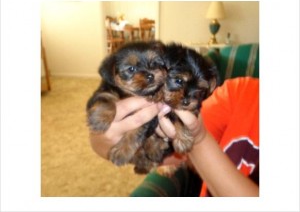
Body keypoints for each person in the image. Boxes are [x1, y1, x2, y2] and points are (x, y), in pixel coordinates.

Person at [89, 77, 259, 197]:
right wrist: (106, 141)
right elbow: (174, 152)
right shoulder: (239, 93)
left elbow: (194, 137)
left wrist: (199, 140)